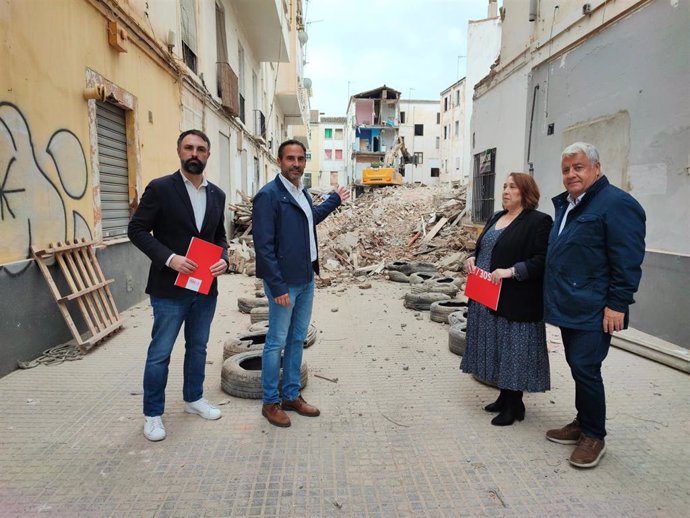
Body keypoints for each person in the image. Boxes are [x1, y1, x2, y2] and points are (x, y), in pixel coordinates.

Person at [543, 142, 645, 468]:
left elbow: (628, 259)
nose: (571, 174)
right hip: (572, 303)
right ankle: (582, 421)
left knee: (586, 368)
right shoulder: (570, 205)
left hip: (596, 307)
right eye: (566, 169)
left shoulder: (616, 204)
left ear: (596, 169)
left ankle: (594, 436)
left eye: (579, 167)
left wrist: (617, 303)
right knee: (578, 365)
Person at [128, 129, 229, 441]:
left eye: (201, 149)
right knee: (160, 352)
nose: (194, 154)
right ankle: (153, 414)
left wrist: (224, 258)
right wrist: (168, 258)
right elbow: (137, 229)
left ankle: (193, 399)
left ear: (208, 155)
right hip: (169, 289)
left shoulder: (217, 195)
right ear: (179, 151)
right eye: (189, 148)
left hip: (204, 289)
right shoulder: (160, 188)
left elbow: (219, 237)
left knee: (197, 347)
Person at [252, 139, 350, 427]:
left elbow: (308, 220)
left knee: (297, 340)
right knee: (276, 342)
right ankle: (270, 402)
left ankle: (291, 395)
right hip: (284, 283)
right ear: (279, 161)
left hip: (306, 278)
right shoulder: (268, 196)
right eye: (290, 158)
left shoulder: (301, 193)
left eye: (301, 158)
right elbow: (264, 247)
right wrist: (278, 286)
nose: (296, 164)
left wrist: (333, 200)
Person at [461, 172, 553, 426]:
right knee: (497, 347)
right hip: (486, 296)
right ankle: (504, 397)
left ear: (526, 192)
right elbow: (484, 248)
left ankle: (515, 405)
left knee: (514, 350)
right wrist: (472, 256)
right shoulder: (496, 217)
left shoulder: (539, 221)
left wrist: (511, 272)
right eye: (504, 186)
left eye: (512, 187)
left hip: (516, 299)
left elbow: (542, 260)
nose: (505, 190)